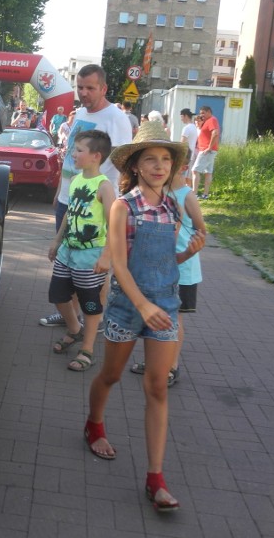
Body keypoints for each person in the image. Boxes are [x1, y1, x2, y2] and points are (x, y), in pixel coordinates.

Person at [84, 121, 205, 513]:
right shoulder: (124, 206)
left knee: (157, 387)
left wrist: (188, 253)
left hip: (165, 307)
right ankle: (94, 425)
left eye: (165, 159)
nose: (159, 166)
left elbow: (165, 259)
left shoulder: (172, 205)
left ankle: (156, 479)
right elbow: (119, 265)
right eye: (150, 159)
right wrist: (142, 306)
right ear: (134, 166)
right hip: (126, 307)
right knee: (111, 376)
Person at [39, 64, 132, 328]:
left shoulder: (116, 118)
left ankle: (96, 317)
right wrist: (60, 190)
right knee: (68, 258)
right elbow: (70, 155)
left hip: (95, 203)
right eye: (80, 87)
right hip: (70, 199)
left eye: (90, 88)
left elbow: (122, 161)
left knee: (93, 264)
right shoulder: (79, 112)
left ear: (103, 88)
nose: (84, 93)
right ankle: (72, 314)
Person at [130, 157, 206, 386]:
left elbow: (201, 229)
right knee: (156, 315)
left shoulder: (187, 195)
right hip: (158, 267)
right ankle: (156, 361)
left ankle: (171, 366)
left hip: (183, 269)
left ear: (181, 168)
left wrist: (189, 248)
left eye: (168, 162)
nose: (161, 167)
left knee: (175, 318)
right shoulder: (158, 192)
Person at [47, 130, 115, 371]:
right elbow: (69, 212)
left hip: (90, 255)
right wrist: (57, 240)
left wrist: (107, 255)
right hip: (68, 250)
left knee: (90, 303)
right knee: (57, 295)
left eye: (78, 150)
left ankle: (87, 349)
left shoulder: (104, 186)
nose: (73, 154)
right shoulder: (76, 180)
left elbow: (114, 224)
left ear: (96, 156)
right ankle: (75, 330)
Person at [192, 106, 219, 200]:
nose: (201, 115)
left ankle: (194, 194)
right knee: (208, 172)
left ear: (209, 112)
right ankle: (205, 194)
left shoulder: (212, 119)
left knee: (195, 170)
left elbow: (215, 133)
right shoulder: (207, 121)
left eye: (203, 113)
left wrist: (209, 147)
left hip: (206, 150)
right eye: (200, 113)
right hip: (207, 150)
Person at [179, 108, 198, 187]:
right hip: (191, 154)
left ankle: (181, 191)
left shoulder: (186, 128)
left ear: (185, 116)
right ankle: (189, 193)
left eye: (181, 117)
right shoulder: (194, 127)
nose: (181, 119)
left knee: (181, 175)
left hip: (185, 155)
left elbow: (182, 142)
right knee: (188, 176)